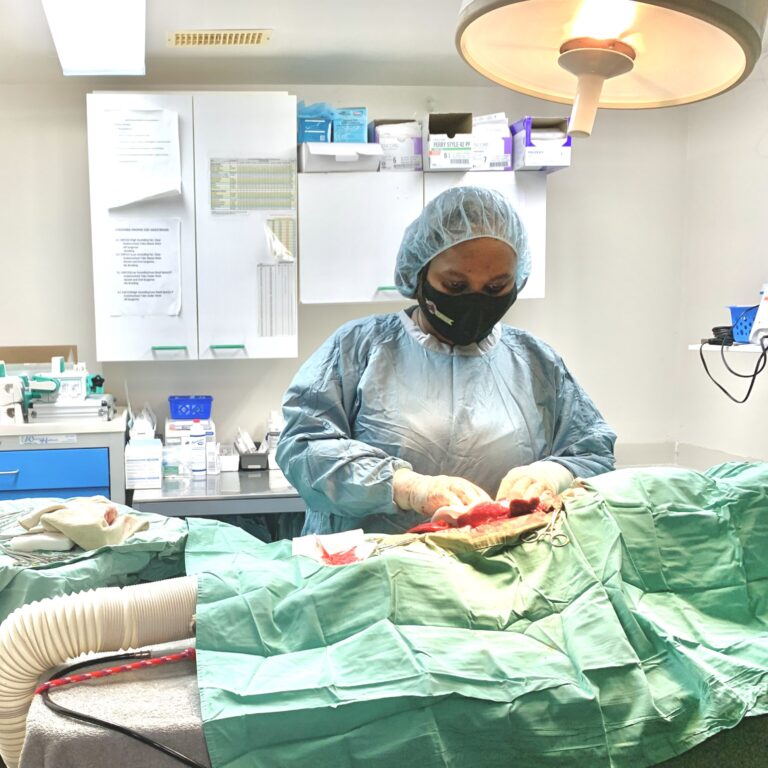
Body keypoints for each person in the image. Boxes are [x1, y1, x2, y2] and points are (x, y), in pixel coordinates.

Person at [276, 186, 616, 535]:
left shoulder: (536, 363)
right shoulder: (359, 349)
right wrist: (405, 487)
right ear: (419, 274)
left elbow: (591, 452)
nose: (475, 303)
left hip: (498, 564)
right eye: (454, 286)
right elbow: (303, 448)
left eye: (496, 288)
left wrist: (552, 474)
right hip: (376, 563)